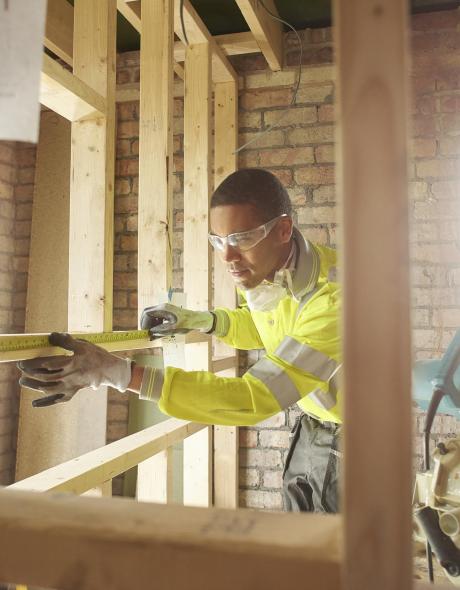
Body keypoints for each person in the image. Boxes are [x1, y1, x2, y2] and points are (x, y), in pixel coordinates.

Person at [18, 168, 342, 513]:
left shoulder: (336, 299)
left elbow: (255, 398)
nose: (227, 257)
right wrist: (198, 321)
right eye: (218, 240)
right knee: (304, 544)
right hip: (312, 425)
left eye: (242, 238)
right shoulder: (274, 269)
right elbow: (269, 326)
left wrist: (119, 373)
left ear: (283, 230)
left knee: (335, 556)